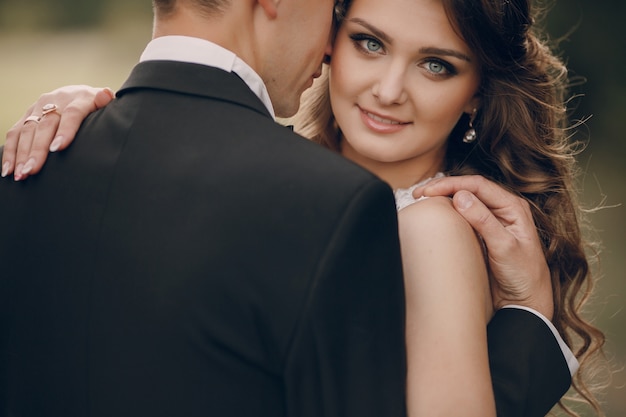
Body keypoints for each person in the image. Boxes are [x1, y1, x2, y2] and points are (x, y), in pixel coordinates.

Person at [0, 0, 596, 416]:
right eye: (370, 42)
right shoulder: (282, 182)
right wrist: (102, 106)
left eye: (436, 64)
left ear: (477, 94)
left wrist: (526, 319)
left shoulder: (431, 229)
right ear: (333, 41)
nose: (389, 89)